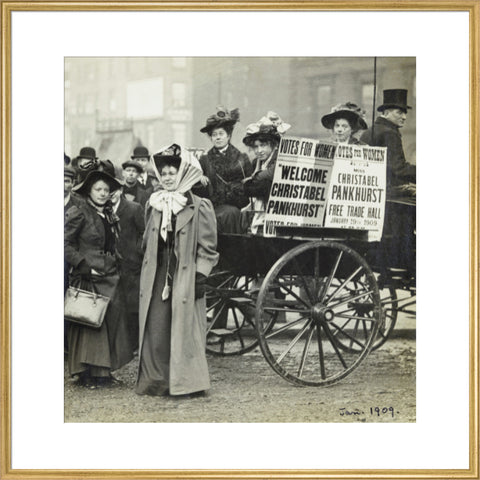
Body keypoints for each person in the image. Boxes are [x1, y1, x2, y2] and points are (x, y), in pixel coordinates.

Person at [136, 144, 219, 397]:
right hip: (158, 273)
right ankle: (157, 380)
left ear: (183, 173)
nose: (169, 177)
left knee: (184, 329)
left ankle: (187, 383)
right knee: (157, 326)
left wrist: (200, 275)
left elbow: (209, 247)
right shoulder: (154, 203)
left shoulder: (199, 205)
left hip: (185, 275)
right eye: (165, 173)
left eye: (173, 171)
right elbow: (146, 240)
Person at [65, 170, 134, 388]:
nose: (103, 193)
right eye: (98, 189)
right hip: (89, 275)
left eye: (106, 190)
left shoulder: (108, 214)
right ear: (89, 191)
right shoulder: (79, 212)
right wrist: (82, 265)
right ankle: (86, 374)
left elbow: (111, 244)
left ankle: (104, 371)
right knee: (91, 324)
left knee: (109, 322)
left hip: (109, 274)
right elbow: (63, 243)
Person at [194, 106, 253, 233]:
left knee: (231, 214)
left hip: (238, 208)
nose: (218, 138)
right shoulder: (204, 160)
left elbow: (250, 185)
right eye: (214, 135)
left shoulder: (241, 159)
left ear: (229, 135)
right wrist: (198, 178)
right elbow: (197, 190)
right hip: (213, 208)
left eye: (221, 134)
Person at [241, 111, 291, 234]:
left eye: (263, 145)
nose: (259, 150)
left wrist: (251, 182)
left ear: (273, 145)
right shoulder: (256, 163)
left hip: (279, 213)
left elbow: (265, 178)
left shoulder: (280, 159)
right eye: (255, 147)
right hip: (260, 210)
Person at [360, 89, 416, 197]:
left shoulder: (372, 130)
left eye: (405, 113)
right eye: (399, 112)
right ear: (386, 113)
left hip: (370, 191)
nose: (404, 117)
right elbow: (398, 168)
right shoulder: (389, 133)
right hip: (386, 194)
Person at [110, 183, 145, 354]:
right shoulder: (103, 209)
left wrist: (137, 252)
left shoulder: (133, 208)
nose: (110, 194)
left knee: (132, 305)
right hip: (112, 264)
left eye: (114, 191)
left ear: (121, 190)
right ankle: (118, 343)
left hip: (132, 264)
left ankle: (134, 343)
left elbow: (143, 233)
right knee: (116, 303)